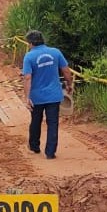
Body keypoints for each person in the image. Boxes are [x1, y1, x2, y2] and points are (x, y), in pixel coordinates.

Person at [22, 30, 73, 159]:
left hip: (36, 97)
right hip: (53, 95)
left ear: (32, 43)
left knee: (36, 121)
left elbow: (27, 78)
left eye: (28, 43)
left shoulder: (29, 57)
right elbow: (66, 71)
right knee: (53, 123)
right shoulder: (55, 52)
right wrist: (69, 84)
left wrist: (27, 98)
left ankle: (34, 146)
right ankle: (50, 152)